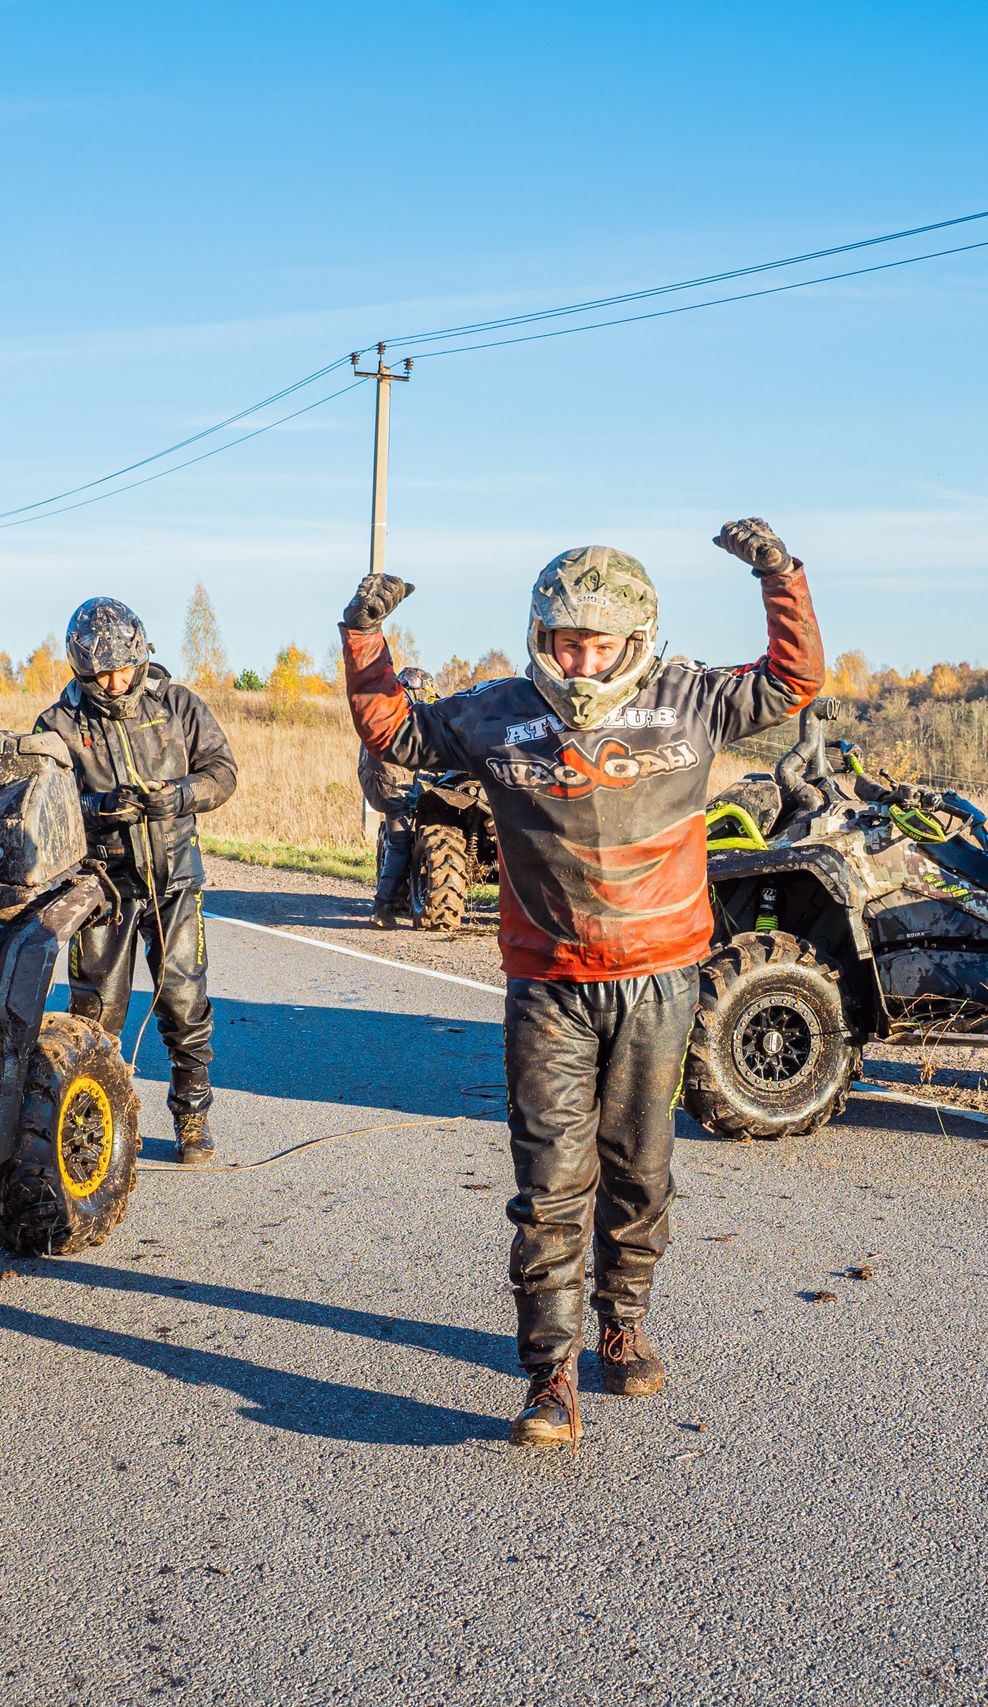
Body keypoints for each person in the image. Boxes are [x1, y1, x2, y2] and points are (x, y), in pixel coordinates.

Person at [340, 518, 822, 1448]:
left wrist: (780, 576)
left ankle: (622, 1318)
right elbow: (396, 731)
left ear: (637, 640)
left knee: (639, 1170)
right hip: (549, 986)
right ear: (540, 636)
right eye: (566, 639)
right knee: (551, 1183)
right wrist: (365, 638)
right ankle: (548, 1374)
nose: (582, 657)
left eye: (600, 641)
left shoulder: (691, 701)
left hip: (660, 980)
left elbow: (793, 682)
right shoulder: (498, 712)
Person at [33, 597, 238, 1165]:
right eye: (100, 673)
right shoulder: (58, 723)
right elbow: (38, 801)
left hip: (175, 878)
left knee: (183, 999)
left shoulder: (178, 704)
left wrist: (179, 796)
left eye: (122, 667)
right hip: (102, 888)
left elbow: (223, 773)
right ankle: (90, 1126)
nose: (115, 681)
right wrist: (97, 806)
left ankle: (192, 1114)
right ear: (79, 667)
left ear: (141, 652)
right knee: (95, 1011)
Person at [359, 666, 434, 927]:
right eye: (424, 692)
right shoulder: (403, 710)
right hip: (392, 784)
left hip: (378, 780)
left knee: (401, 839)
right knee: (400, 843)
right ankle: (382, 908)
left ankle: (397, 901)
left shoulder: (384, 704)